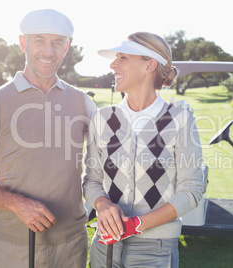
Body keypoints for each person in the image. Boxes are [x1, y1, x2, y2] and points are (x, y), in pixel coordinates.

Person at [0, 9, 96, 268]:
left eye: (57, 43)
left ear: (66, 48)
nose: (48, 51)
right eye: (39, 40)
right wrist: (16, 203)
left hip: (72, 247)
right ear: (23, 44)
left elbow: (109, 160)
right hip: (13, 249)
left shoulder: (82, 102)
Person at [83, 32, 204, 268]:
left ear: (150, 65)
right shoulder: (102, 118)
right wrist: (103, 205)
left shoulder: (179, 119)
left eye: (123, 58)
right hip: (105, 245)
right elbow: (91, 180)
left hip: (155, 249)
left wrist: (137, 224)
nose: (113, 64)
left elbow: (192, 190)